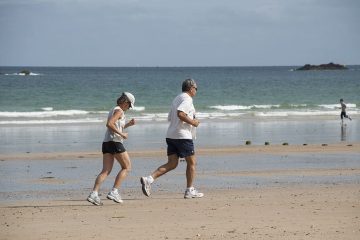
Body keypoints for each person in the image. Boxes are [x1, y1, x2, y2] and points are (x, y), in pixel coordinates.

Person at [140, 78, 204, 199]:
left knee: (172, 163)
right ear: (191, 88)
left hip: (171, 135)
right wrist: (193, 122)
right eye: (196, 89)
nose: (196, 91)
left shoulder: (177, 98)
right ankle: (189, 190)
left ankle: (149, 179)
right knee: (192, 163)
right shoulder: (187, 99)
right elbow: (180, 114)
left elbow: (170, 117)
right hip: (182, 136)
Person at [87, 92, 136, 206]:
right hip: (115, 142)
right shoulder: (119, 111)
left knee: (105, 171)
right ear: (125, 102)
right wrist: (122, 134)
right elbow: (109, 124)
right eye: (129, 105)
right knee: (127, 167)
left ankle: (94, 194)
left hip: (107, 142)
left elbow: (116, 125)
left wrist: (128, 124)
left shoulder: (114, 109)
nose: (129, 108)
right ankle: (114, 191)